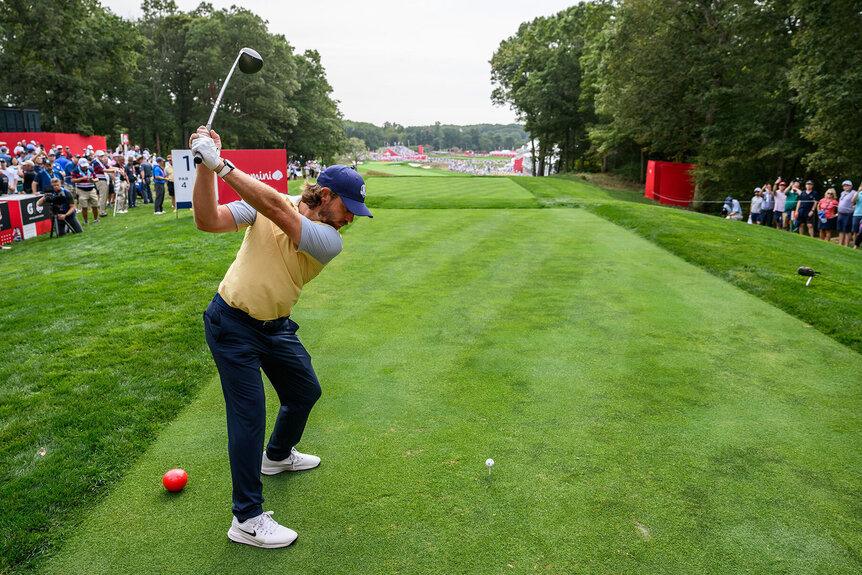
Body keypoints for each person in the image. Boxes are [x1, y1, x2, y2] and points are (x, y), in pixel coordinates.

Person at [190, 126, 373, 549]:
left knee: (305, 391)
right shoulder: (267, 205)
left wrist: (221, 163)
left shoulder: (329, 241)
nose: (351, 220)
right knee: (248, 418)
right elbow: (207, 220)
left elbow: (276, 209)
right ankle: (247, 519)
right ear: (325, 195)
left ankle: (277, 457)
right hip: (231, 325)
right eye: (350, 207)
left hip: (275, 327)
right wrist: (204, 166)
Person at [70, 158, 99, 224]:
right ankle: (86, 221)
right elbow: (72, 180)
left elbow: (97, 178)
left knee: (95, 205)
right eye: (83, 166)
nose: (84, 167)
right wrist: (82, 178)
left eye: (85, 166)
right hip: (81, 191)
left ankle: (96, 219)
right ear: (79, 165)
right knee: (84, 207)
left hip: (91, 189)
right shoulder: (75, 170)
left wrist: (93, 180)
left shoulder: (90, 169)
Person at [836, 180, 856, 247]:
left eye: (847, 185)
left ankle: (846, 245)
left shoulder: (854, 193)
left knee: (847, 230)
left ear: (851, 186)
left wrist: (855, 206)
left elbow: (859, 201)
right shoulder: (842, 193)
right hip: (840, 214)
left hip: (848, 214)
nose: (846, 187)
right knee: (840, 230)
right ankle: (840, 244)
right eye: (844, 186)